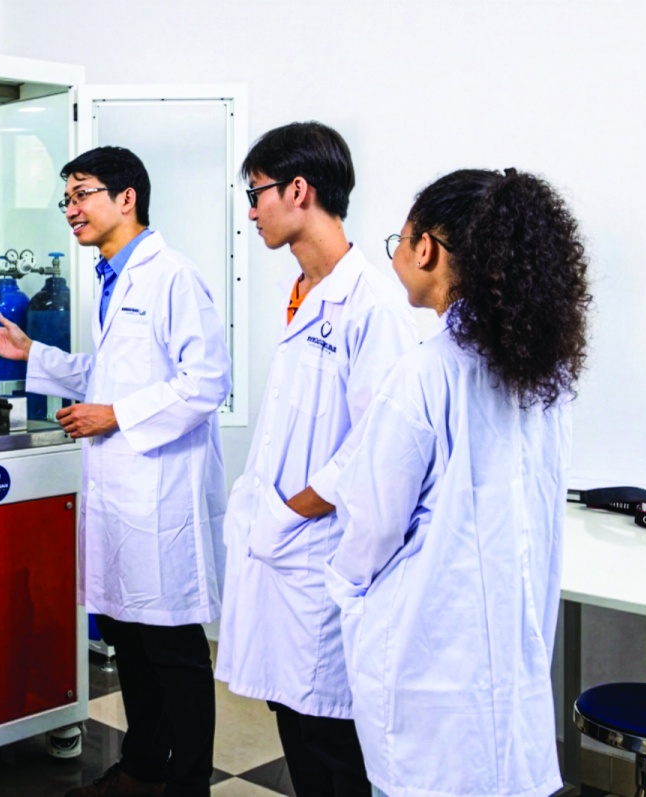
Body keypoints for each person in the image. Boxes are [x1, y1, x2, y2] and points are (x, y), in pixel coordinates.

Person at [0, 146, 230, 797]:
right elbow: (109, 372)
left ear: (127, 198)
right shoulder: (111, 280)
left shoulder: (173, 277)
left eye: (82, 193)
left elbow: (205, 383)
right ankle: (142, 769)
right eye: (67, 197)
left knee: (172, 650)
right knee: (128, 638)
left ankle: (188, 784)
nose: (71, 209)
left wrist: (116, 414)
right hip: (120, 493)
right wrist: (34, 354)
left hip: (161, 495)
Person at [326, 168, 591, 797]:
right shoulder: (545, 380)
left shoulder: (426, 373)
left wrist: (349, 591)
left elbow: (373, 525)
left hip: (428, 666)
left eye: (400, 238)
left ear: (426, 250)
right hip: (505, 666)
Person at [214, 122, 417, 797]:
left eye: (257, 194)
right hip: (284, 546)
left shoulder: (372, 306)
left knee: (330, 741)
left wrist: (289, 511)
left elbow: (374, 449)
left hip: (321, 549)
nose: (251, 211)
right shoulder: (301, 291)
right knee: (295, 721)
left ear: (298, 190)